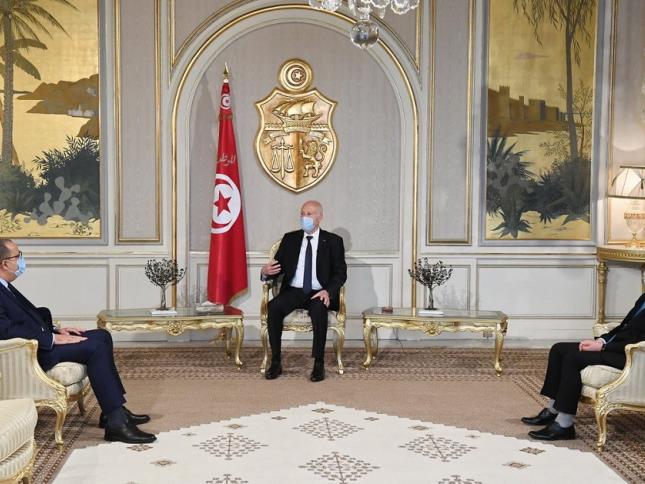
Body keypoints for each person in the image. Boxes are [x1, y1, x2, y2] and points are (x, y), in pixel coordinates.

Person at [0, 238, 156, 444]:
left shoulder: (5, 286)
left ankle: (112, 410)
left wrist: (57, 329)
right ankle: (116, 424)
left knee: (102, 336)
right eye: (18, 256)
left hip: (40, 341)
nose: (21, 260)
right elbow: (7, 330)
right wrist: (53, 338)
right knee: (95, 348)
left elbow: (28, 318)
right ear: (5, 263)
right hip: (30, 353)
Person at [522, 292, 645, 441]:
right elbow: (623, 328)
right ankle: (552, 410)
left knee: (573, 358)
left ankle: (564, 424)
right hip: (614, 347)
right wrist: (601, 341)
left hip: (632, 356)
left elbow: (639, 339)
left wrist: (603, 348)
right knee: (558, 349)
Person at [260, 200, 347, 382]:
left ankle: (319, 363)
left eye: (309, 214)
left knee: (319, 309)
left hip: (318, 291)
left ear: (320, 217)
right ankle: (276, 362)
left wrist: (328, 291)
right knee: (273, 307)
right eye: (302, 213)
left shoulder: (333, 241)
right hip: (294, 290)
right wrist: (265, 272)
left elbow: (340, 274)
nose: (304, 217)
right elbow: (276, 268)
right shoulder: (290, 239)